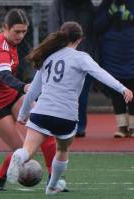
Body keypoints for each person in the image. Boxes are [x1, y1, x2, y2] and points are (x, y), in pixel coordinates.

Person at [6, 21, 133, 195]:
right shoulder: (81, 57)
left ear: (61, 36)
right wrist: (122, 88)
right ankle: (52, 186)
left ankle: (19, 157)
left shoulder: (48, 58)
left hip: (41, 112)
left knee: (28, 150)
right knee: (62, 149)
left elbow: (33, 91)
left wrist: (22, 114)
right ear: (79, 39)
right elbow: (100, 73)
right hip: (66, 116)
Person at [0, 8, 64, 191]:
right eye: (16, 31)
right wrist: (24, 87)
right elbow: (4, 76)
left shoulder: (13, 44)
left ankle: (54, 180)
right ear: (5, 28)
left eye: (24, 31)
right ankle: (0, 177)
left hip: (12, 95)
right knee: (22, 151)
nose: (20, 35)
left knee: (44, 129)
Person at [93, 0, 134, 138]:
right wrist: (109, 13)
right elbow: (96, 25)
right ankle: (121, 127)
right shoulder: (107, 3)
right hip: (113, 53)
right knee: (117, 90)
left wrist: (132, 16)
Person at [47, 0, 97, 137]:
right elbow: (54, 30)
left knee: (82, 95)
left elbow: (95, 30)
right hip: (65, 58)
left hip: (84, 57)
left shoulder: (87, 6)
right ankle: (64, 125)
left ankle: (78, 126)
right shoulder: (58, 5)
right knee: (62, 94)